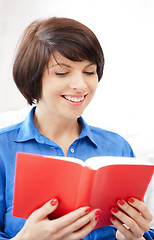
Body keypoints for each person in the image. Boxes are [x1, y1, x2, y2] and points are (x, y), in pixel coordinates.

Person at [0, 17, 153, 240]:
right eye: (62, 73)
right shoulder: (4, 149)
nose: (81, 85)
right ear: (33, 77)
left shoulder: (118, 147)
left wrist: (137, 236)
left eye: (89, 72)